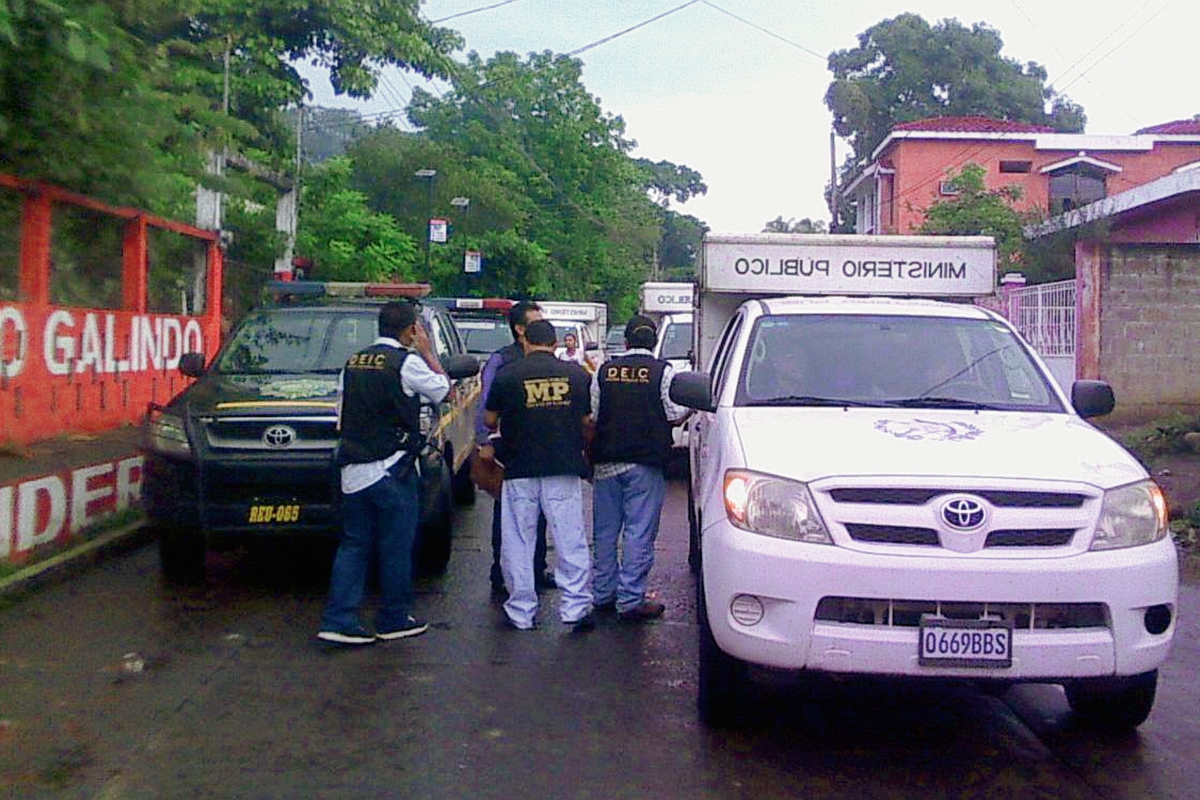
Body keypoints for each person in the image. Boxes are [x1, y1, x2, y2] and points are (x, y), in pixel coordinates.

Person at [317, 301, 450, 645]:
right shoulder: (406, 363)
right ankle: (393, 618)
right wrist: (428, 352)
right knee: (396, 546)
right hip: (392, 469)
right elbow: (444, 390)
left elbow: (340, 414)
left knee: (353, 545)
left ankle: (338, 619)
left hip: (352, 469)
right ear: (410, 330)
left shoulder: (352, 363)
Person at [483, 319, 595, 632]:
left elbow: (490, 420)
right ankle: (574, 607)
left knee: (519, 539)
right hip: (563, 465)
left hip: (519, 467)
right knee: (570, 538)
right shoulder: (576, 375)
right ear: (556, 343)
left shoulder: (508, 375)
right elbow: (587, 420)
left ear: (527, 342)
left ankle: (520, 611)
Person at [589, 315, 689, 621]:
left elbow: (593, 415)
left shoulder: (604, 371)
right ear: (654, 340)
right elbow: (674, 414)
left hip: (606, 464)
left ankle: (603, 593)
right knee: (638, 532)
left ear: (627, 341)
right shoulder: (663, 372)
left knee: (605, 532)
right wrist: (690, 408)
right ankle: (631, 599)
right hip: (645, 464)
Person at [475, 301, 554, 594]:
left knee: (542, 512)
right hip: (510, 447)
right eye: (535, 322)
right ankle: (501, 572)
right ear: (519, 329)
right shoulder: (502, 361)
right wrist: (485, 442)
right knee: (507, 513)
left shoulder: (543, 359)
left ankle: (536, 568)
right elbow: (485, 404)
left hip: (542, 447)